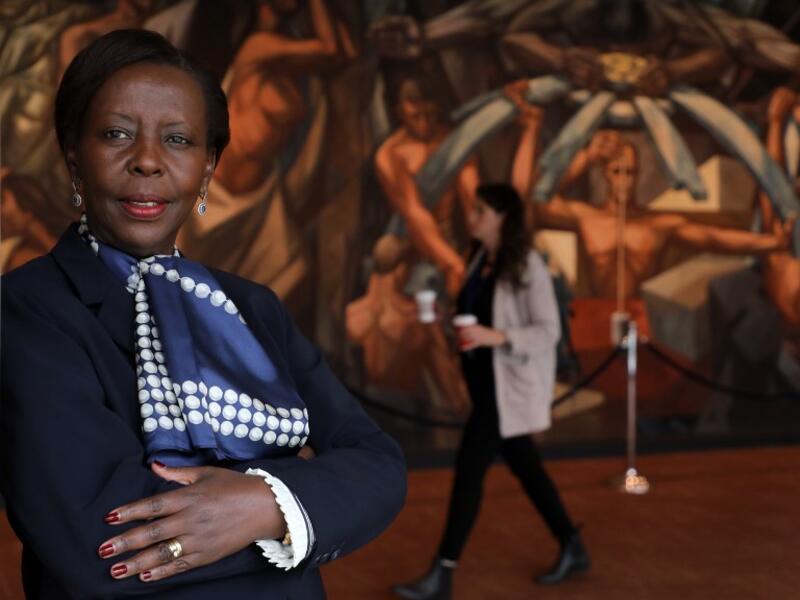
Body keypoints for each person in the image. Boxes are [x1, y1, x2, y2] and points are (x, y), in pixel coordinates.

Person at [0, 29, 405, 599]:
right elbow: (95, 541)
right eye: (116, 134)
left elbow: (379, 466)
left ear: (208, 166)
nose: (147, 161)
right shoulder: (28, 306)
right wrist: (300, 493)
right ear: (73, 154)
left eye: (179, 140)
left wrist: (266, 504)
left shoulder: (253, 305)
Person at [392, 183, 588, 600]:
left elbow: (548, 331)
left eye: (481, 210)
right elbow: (476, 317)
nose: (474, 216)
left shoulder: (527, 265)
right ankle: (572, 545)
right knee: (527, 468)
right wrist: (449, 318)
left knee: (469, 471)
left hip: (507, 388)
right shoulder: (479, 258)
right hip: (485, 384)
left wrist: (494, 335)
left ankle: (442, 572)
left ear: (502, 216)